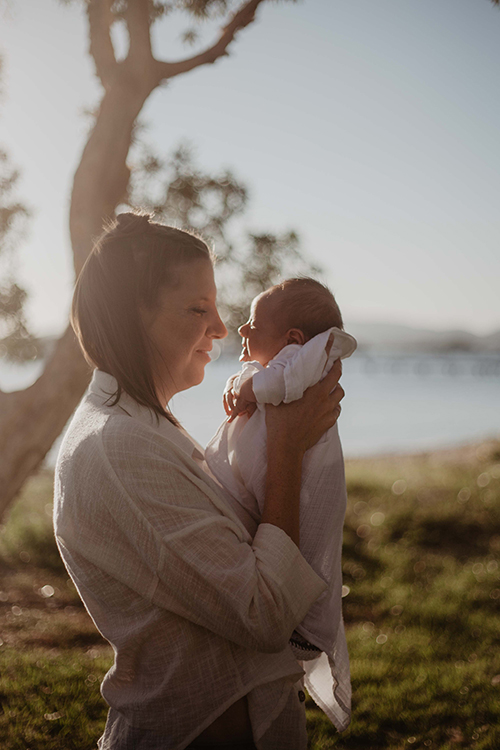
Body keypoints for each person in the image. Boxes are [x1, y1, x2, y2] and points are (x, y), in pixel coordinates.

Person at [53, 212, 346, 750]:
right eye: (198, 309)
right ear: (131, 316)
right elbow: (261, 613)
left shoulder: (145, 424)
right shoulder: (119, 447)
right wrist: (286, 445)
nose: (219, 327)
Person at [205, 279, 355, 728]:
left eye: (253, 323)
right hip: (275, 482)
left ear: (292, 339)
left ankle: (300, 627)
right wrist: (243, 384)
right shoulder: (284, 363)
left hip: (306, 482)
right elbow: (267, 380)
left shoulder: (306, 360)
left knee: (306, 550)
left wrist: (247, 390)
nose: (241, 328)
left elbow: (282, 382)